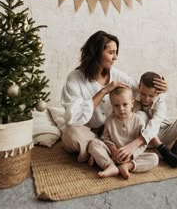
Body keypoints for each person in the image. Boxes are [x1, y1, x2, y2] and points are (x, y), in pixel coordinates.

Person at [61, 30, 168, 163]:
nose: (115, 57)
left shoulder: (116, 74)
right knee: (71, 136)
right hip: (87, 131)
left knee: (142, 116)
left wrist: (161, 91)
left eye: (116, 52)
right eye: (111, 53)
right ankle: (102, 150)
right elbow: (73, 118)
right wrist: (103, 91)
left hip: (113, 132)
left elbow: (142, 91)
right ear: (96, 53)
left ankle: (101, 153)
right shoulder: (74, 79)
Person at [88, 87, 159, 179]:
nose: (121, 109)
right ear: (112, 106)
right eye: (116, 106)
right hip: (113, 154)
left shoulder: (138, 120)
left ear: (132, 103)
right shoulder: (110, 120)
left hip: (132, 155)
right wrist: (113, 151)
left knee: (154, 158)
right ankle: (110, 165)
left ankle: (127, 166)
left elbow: (142, 144)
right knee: (93, 143)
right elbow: (106, 138)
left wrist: (132, 156)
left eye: (125, 104)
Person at [134, 71, 177, 168]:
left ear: (158, 93)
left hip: (162, 134)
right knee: (140, 115)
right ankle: (166, 152)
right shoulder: (133, 96)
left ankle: (176, 151)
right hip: (145, 138)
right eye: (143, 94)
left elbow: (155, 122)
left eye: (151, 96)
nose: (146, 98)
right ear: (139, 87)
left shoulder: (160, 103)